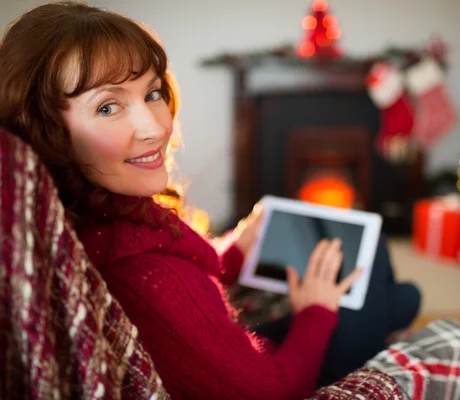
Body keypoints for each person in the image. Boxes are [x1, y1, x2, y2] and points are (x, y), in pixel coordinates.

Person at [0, 2, 420, 399]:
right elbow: (268, 391)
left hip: (229, 357)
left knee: (395, 293)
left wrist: (234, 249)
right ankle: (389, 313)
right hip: (285, 377)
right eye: (108, 107)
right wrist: (314, 312)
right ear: (46, 133)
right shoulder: (146, 275)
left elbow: (185, 287)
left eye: (151, 93)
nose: (154, 127)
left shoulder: (99, 220)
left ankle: (392, 308)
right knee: (374, 250)